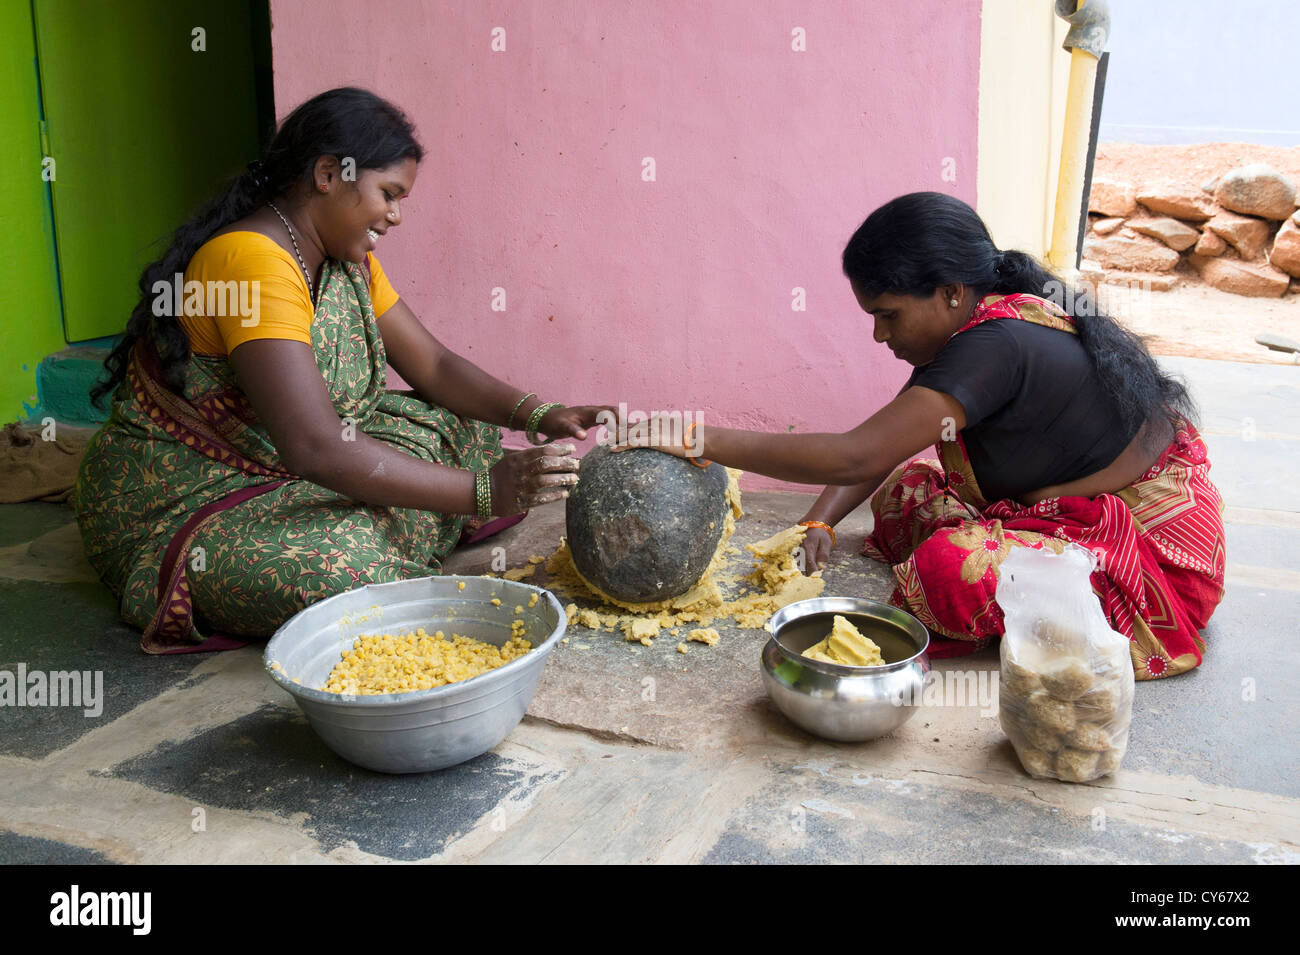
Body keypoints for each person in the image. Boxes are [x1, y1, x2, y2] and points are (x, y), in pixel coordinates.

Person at [73, 88, 608, 653]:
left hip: (298, 463)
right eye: (389, 194)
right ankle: (387, 537)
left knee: (464, 427)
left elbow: (434, 364)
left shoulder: (340, 258)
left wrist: (541, 413)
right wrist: (483, 491)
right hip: (199, 492)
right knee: (342, 568)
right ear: (329, 174)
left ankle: (397, 524)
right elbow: (315, 447)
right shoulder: (252, 261)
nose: (397, 216)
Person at [619, 192, 1225, 680]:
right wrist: (820, 522)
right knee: (906, 491)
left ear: (950, 293)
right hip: (1053, 508)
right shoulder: (980, 325)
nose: (881, 337)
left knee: (945, 570)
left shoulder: (995, 346)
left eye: (889, 314)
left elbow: (858, 449)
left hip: (1148, 542)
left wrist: (697, 438)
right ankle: (1020, 551)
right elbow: (887, 445)